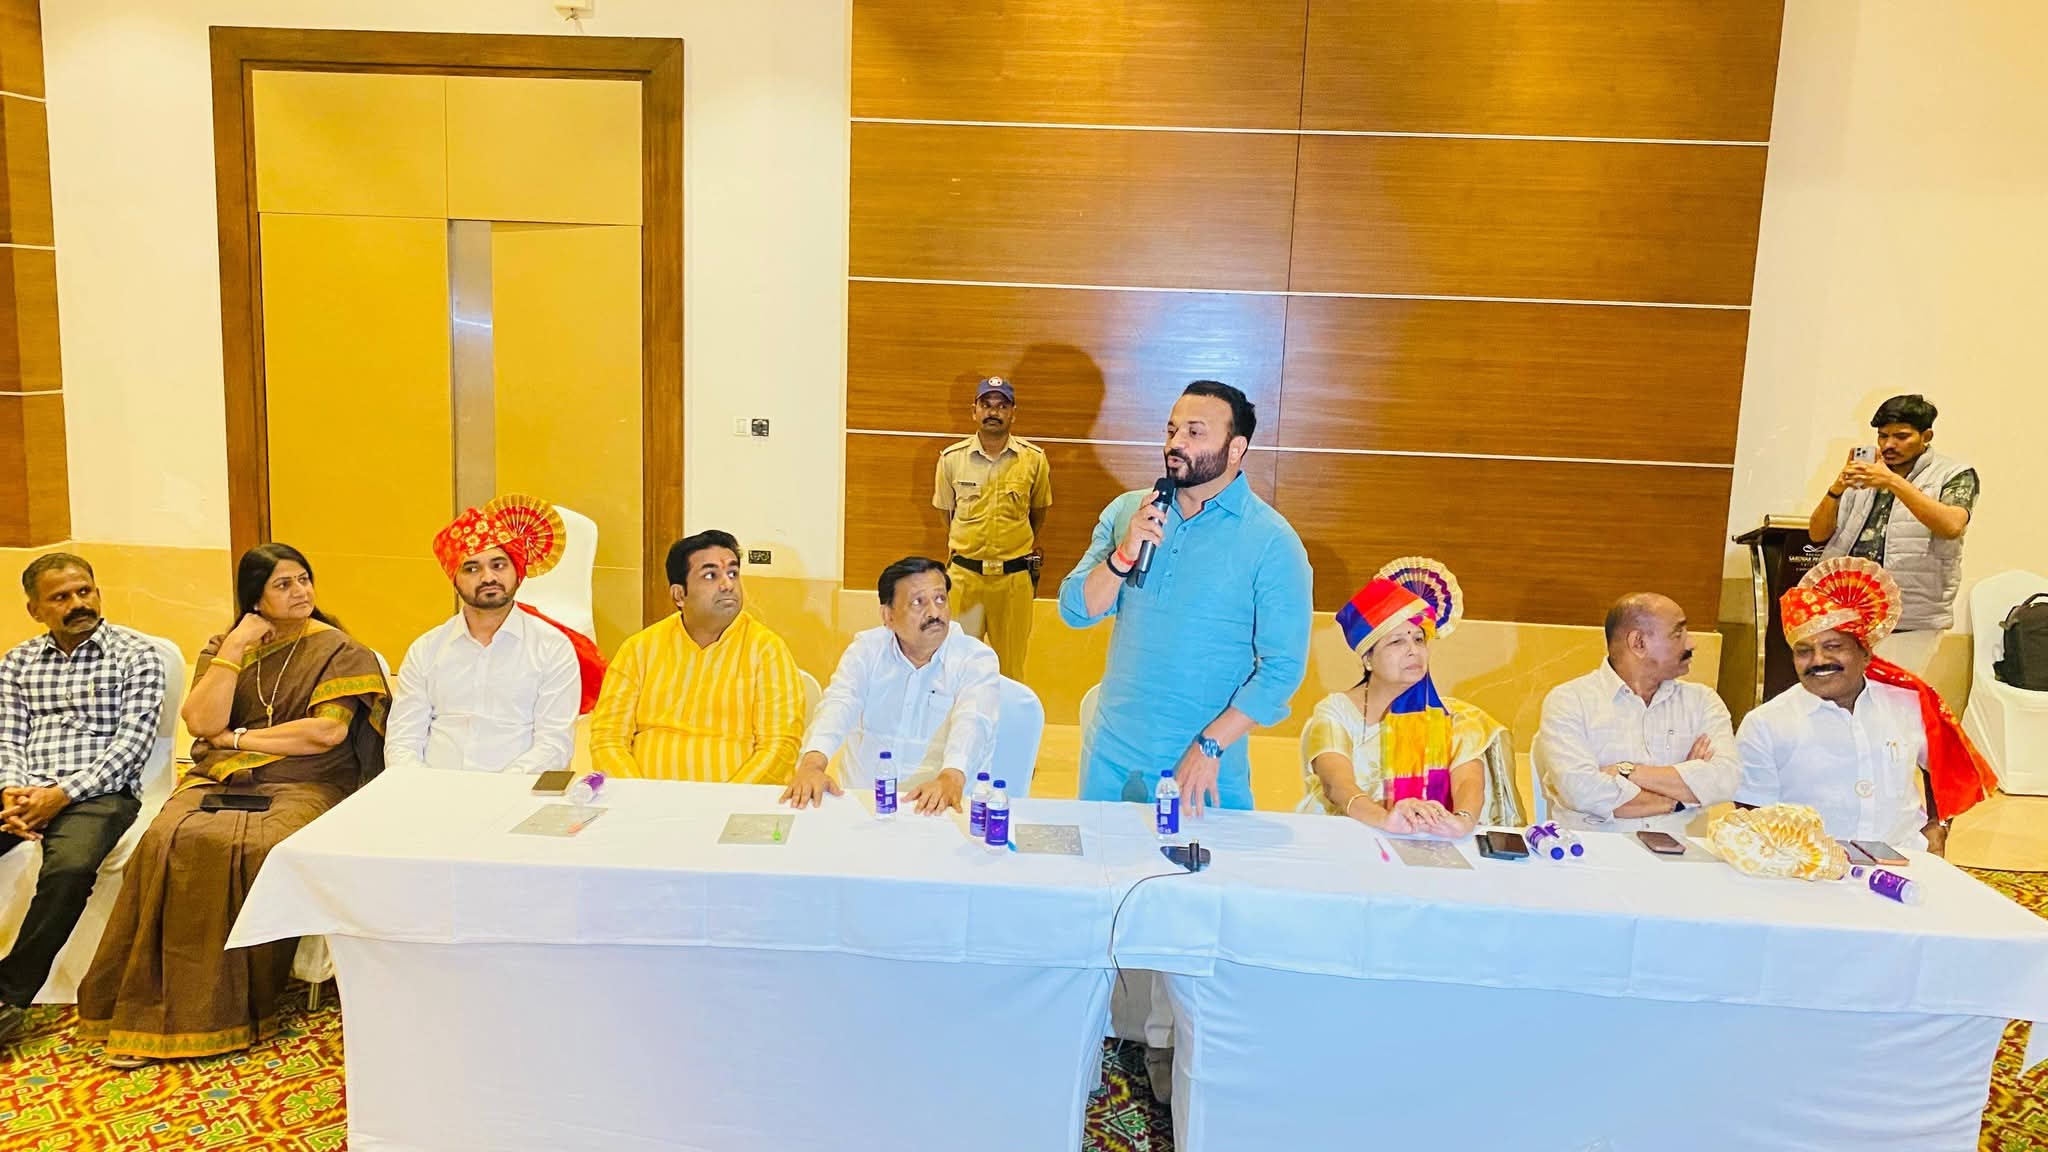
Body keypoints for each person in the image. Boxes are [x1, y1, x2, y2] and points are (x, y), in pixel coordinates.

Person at [1058, 379, 1311, 1103]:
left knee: (1191, 916)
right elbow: (1076, 609)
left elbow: (1282, 669)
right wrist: (1123, 554)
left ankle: (1172, 1050)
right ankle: (1098, 1035)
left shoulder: (1271, 542)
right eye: (1172, 427)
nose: (1176, 442)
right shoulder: (1129, 512)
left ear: (1237, 448)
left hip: (1201, 766)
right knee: (1099, 900)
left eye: (1196, 431)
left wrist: (1212, 744)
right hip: (1112, 751)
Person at [77, 544, 388, 1065]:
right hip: (220, 779)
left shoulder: (339, 651)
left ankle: (225, 1010)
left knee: (248, 846)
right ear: (255, 598)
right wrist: (238, 644)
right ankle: (142, 1010)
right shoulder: (226, 647)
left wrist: (237, 739)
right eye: (283, 584)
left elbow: (324, 734)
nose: (301, 592)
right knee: (163, 839)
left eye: (304, 579)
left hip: (306, 782)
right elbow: (201, 723)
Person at [0, 555, 166, 1049]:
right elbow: (8, 736)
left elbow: (131, 747)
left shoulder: (137, 656)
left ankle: (9, 995)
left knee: (69, 870)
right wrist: (13, 790)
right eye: (61, 597)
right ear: (35, 610)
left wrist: (61, 795)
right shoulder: (17, 662)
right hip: (25, 789)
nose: (78, 604)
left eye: (84, 591)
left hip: (99, 793)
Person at [1736, 558, 1996, 852]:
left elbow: (1944, 765)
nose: (1818, 660)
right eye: (1804, 651)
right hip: (1810, 866)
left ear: (1865, 654)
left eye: (1833, 647)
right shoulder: (1765, 723)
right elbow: (1750, 813)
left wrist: (1939, 825)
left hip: (1904, 856)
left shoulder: (1908, 704)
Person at [386, 495, 599, 774]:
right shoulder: (426, 650)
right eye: (472, 568)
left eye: (498, 565)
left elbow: (554, 746)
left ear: (517, 572)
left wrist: (495, 790)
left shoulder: (552, 648)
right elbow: (402, 741)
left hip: (517, 790)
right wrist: (422, 786)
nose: (488, 577)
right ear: (454, 579)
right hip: (433, 788)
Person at [1298, 563, 1504, 840]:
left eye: (1419, 639)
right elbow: (1336, 785)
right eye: (1396, 642)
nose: (1413, 650)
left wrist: (1463, 821)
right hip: (1348, 834)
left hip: (1431, 838)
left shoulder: (1453, 716)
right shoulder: (1336, 712)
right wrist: (1385, 819)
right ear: (1368, 659)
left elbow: (1468, 780)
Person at [780, 557, 1000, 815]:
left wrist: (951, 777)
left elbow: (973, 721)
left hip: (942, 805)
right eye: (918, 602)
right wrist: (812, 764)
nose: (934, 612)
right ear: (888, 616)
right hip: (864, 804)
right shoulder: (866, 650)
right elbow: (839, 703)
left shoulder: (975, 658)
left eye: (940, 599)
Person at [590, 530, 804, 783]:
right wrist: (638, 795)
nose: (727, 585)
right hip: (645, 800)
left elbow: (780, 746)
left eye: (733, 573)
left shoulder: (767, 650)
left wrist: (728, 798)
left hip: (735, 801)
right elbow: (608, 738)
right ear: (679, 595)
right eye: (711, 575)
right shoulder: (639, 649)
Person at [1534, 593, 1739, 835]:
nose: (1691, 643)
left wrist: (1629, 772)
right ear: (1638, 643)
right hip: (1595, 850)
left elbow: (1726, 779)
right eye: (1678, 634)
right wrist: (1681, 799)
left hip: (1679, 851)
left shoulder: (1702, 701)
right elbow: (1581, 791)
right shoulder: (1570, 701)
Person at [1807, 394, 1979, 673]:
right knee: (1839, 693)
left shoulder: (1953, 474)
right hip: (1845, 611)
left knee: (1893, 694)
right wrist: (1837, 488)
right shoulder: (1866, 473)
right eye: (1883, 436)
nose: (1888, 445)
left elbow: (1951, 526)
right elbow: (1817, 534)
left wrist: (1892, 481)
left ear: (1926, 436)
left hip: (1909, 617)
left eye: (1901, 436)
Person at [935, 375, 1051, 678]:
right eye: (986, 404)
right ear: (974, 411)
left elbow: (1038, 512)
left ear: (1013, 413)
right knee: (956, 668)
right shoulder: (951, 459)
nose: (993, 412)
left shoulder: (1033, 459)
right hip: (964, 579)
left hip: (1013, 582)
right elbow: (946, 515)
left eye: (1002, 406)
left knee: (1010, 672)